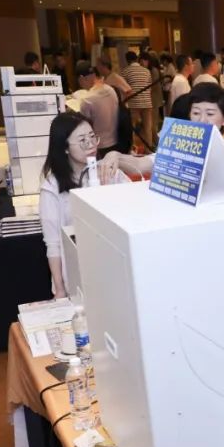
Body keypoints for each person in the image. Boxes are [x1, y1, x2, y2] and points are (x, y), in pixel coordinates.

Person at [39, 111, 130, 298]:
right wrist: (59, 289)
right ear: (65, 148)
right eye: (82, 140)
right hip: (76, 273)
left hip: (112, 267)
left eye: (92, 137)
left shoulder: (109, 172)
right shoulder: (52, 187)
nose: (90, 145)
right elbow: (53, 243)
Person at [75, 60, 121, 158]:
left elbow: (85, 126)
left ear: (81, 78)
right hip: (117, 142)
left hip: (99, 147)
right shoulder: (111, 89)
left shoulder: (87, 100)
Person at [121, 51, 154, 151]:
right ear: (136, 59)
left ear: (127, 60)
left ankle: (133, 149)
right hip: (147, 102)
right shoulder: (146, 71)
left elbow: (124, 89)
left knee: (132, 128)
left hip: (133, 103)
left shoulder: (125, 71)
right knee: (148, 128)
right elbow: (150, 87)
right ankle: (149, 150)